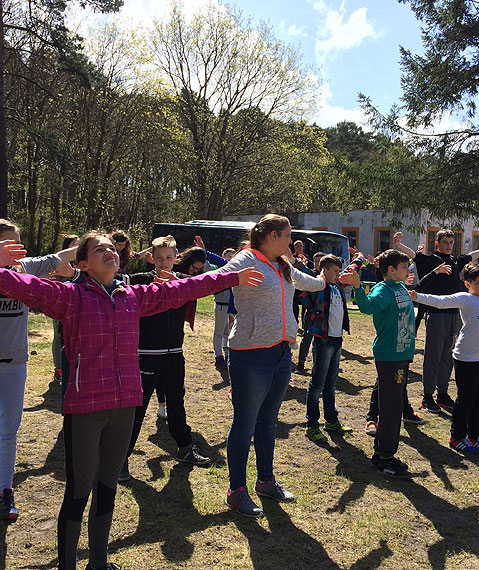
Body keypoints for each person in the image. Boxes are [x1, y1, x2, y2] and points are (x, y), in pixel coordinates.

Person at [0, 231, 261, 569]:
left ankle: (98, 562)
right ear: (83, 264)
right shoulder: (68, 297)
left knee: (107, 486)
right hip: (86, 409)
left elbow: (183, 288)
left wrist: (231, 276)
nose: (109, 251)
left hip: (125, 406)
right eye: (99, 249)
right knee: (78, 493)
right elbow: (21, 285)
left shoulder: (133, 296)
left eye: (112, 247)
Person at [215, 214, 326, 518]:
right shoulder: (246, 259)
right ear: (273, 235)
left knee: (268, 421)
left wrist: (329, 279)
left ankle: (265, 481)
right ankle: (236, 490)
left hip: (280, 353)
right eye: (288, 236)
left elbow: (310, 284)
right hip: (249, 354)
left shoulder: (283, 265)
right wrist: (181, 285)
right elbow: (217, 277)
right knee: (245, 422)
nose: (291, 242)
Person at [0, 220, 76, 522]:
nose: (18, 250)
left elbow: (60, 258)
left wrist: (90, 245)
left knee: (8, 431)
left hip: (15, 363)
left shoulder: (27, 268)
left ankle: (5, 491)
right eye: (9, 244)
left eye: (19, 242)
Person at [119, 235, 212, 483]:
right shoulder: (141, 281)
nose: (164, 263)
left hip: (175, 355)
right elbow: (113, 278)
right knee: (137, 408)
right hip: (146, 356)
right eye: (159, 258)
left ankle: (184, 447)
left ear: (176, 258)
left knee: (176, 402)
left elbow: (213, 280)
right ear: (152, 258)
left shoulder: (184, 282)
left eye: (169, 258)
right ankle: (120, 460)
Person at [394, 230, 479, 414]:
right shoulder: (430, 260)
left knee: (448, 356)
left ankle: (442, 393)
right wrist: (398, 245)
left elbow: (472, 255)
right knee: (433, 356)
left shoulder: (456, 261)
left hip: (455, 315)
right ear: (437, 243)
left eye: (451, 242)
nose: (448, 245)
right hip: (436, 314)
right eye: (445, 242)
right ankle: (427, 395)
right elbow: (413, 255)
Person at [411, 263, 479, 454]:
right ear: (467, 284)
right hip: (467, 358)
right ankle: (457, 438)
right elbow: (440, 301)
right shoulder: (465, 298)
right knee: (466, 400)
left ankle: (475, 437)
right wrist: (417, 296)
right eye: (478, 283)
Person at [340, 249, 416, 480]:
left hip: (402, 353)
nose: (407, 271)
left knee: (394, 406)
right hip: (389, 355)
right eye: (403, 268)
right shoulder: (383, 289)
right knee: (391, 409)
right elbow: (367, 306)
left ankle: (387, 453)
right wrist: (356, 286)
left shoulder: (399, 287)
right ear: (391, 270)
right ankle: (382, 457)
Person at [300, 254, 353, 443]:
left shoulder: (337, 287)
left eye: (339, 271)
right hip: (323, 340)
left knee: (331, 384)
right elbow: (304, 291)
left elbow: (349, 274)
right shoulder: (318, 286)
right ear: (325, 270)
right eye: (336, 271)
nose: (339, 275)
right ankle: (312, 425)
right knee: (317, 384)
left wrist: (360, 260)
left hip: (337, 340)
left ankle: (331, 420)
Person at [51, 234, 79, 382]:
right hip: (60, 305)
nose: (77, 249)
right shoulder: (59, 263)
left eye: (79, 245)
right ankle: (59, 369)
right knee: (58, 336)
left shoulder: (84, 263)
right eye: (74, 245)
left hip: (77, 308)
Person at [296, 251, 325, 373]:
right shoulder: (312, 275)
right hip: (310, 312)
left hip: (323, 314)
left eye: (320, 261)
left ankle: (318, 366)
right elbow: (302, 270)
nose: (318, 263)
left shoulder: (327, 277)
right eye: (316, 261)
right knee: (306, 338)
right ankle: (301, 364)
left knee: (321, 340)